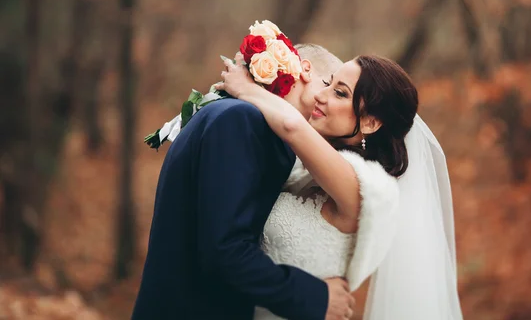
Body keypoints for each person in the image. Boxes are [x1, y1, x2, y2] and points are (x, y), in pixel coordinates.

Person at [217, 53, 464, 320]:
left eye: (340, 93)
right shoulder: (307, 171)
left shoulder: (367, 188)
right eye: (328, 83)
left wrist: (246, 88)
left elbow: (291, 125)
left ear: (370, 122)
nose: (321, 96)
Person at [131, 44, 356, 320]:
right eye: (329, 85)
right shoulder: (241, 121)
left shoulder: (240, 119)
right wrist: (316, 297)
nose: (327, 98)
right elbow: (224, 251)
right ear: (306, 70)